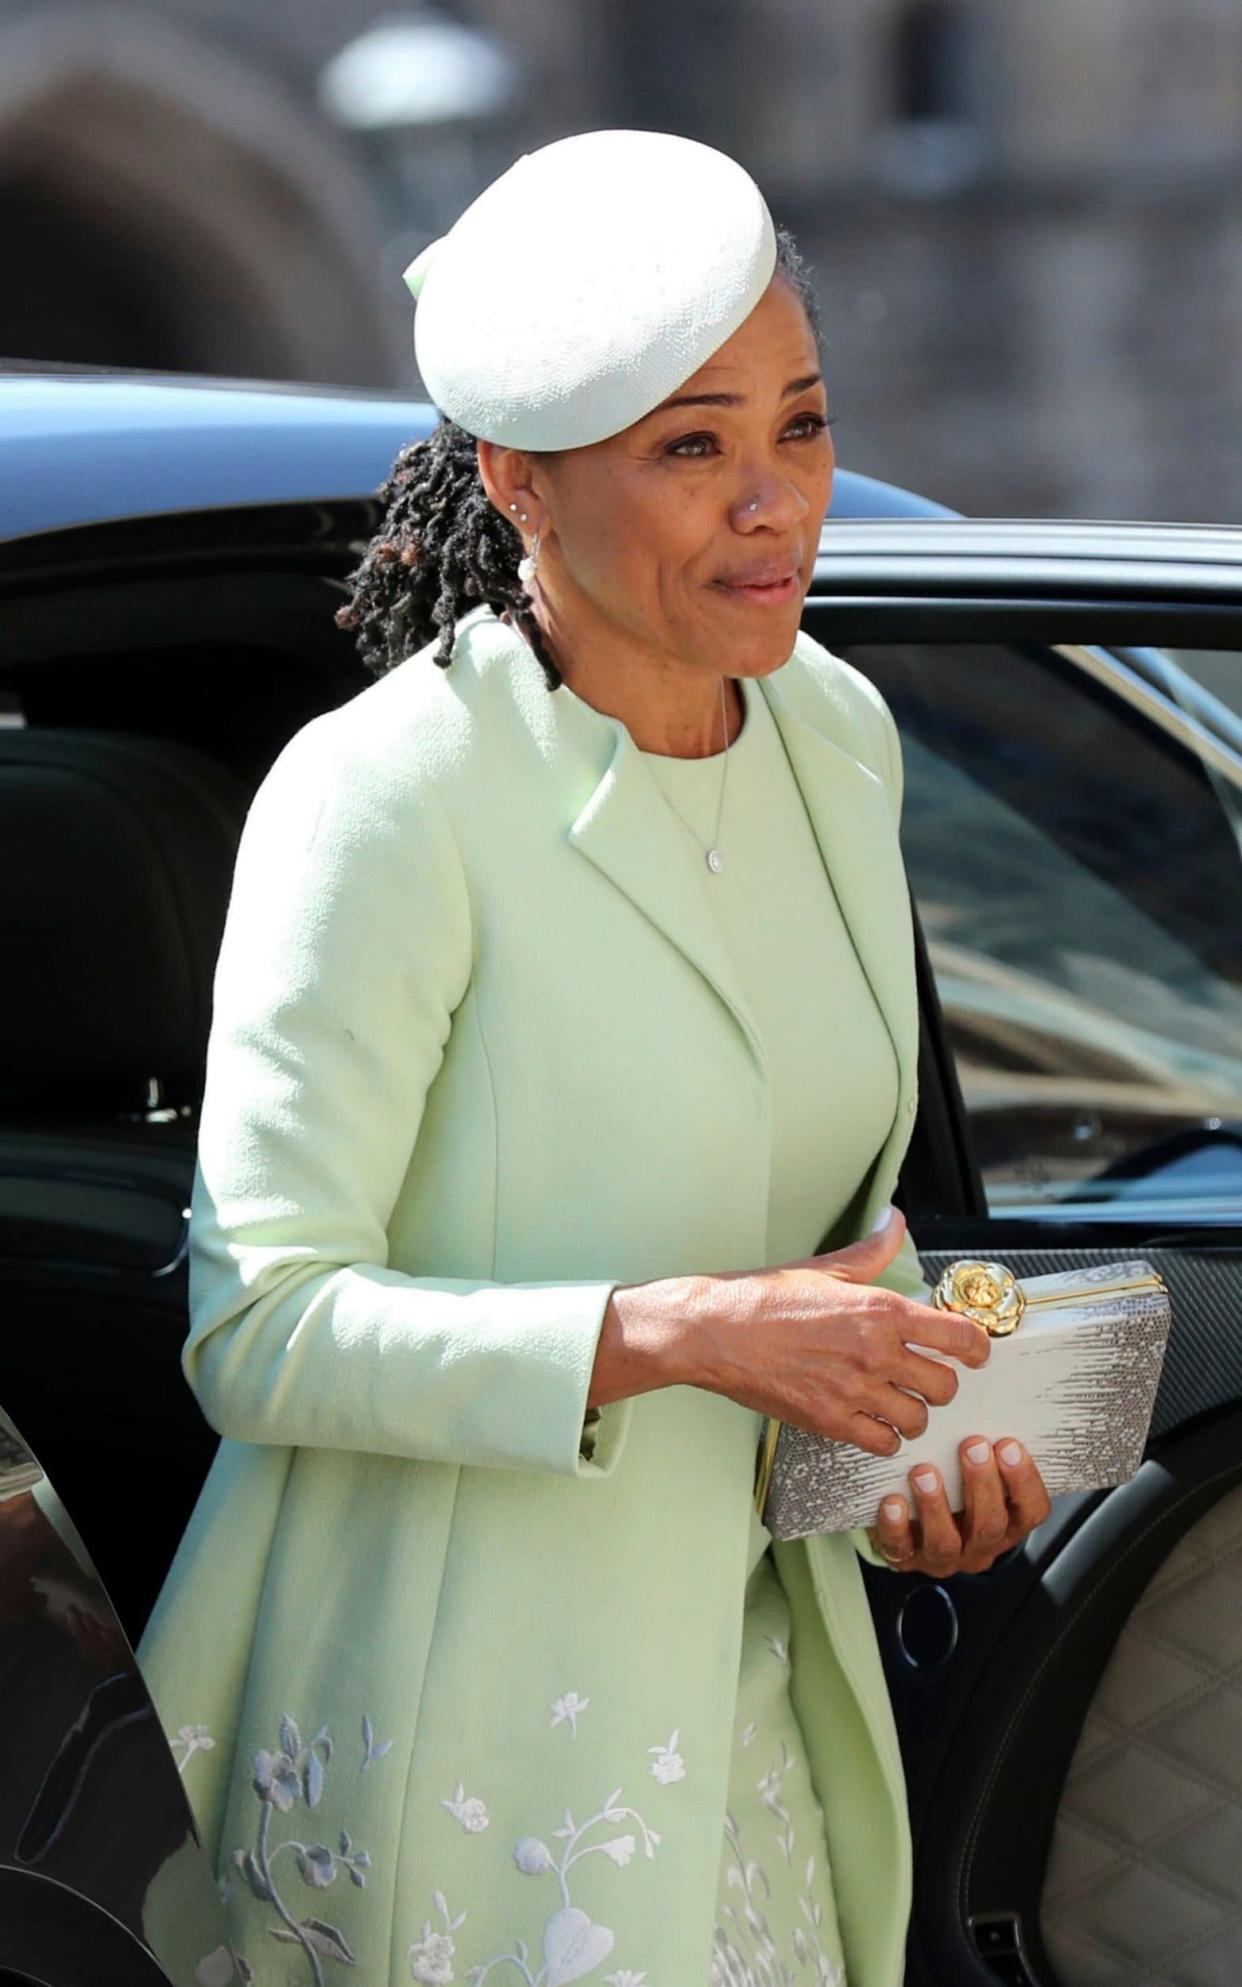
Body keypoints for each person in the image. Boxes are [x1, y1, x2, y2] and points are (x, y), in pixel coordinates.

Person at [136, 129, 1051, 1987]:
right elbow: (259, 1326)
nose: (776, 503)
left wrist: (913, 1453)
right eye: (692, 446)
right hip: (461, 1734)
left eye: (799, 427)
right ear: (520, 484)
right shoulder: (390, 794)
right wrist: (673, 1334)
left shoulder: (838, 737)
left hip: (759, 1715)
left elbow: (831, 1239)